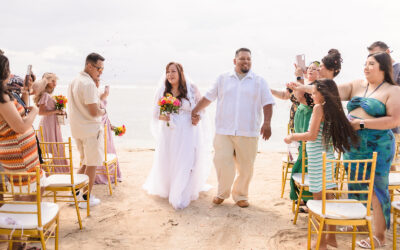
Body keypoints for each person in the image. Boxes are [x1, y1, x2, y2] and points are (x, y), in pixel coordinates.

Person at [290, 52, 400, 248]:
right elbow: (328, 90)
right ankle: (357, 223)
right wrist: (300, 85)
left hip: (378, 145)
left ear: (383, 67)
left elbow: (394, 120)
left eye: (371, 64)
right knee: (356, 185)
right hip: (353, 143)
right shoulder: (357, 85)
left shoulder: (393, 90)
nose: (366, 67)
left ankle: (380, 237)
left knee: (376, 189)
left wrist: (362, 124)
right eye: (365, 63)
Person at [191, 48, 274, 208]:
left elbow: (268, 102)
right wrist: (195, 111)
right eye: (242, 59)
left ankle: (241, 195)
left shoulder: (259, 81)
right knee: (221, 162)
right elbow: (208, 97)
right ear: (235, 61)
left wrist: (267, 122)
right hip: (224, 130)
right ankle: (222, 193)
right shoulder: (222, 78)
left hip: (248, 131)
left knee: (246, 167)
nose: (246, 62)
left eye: (249, 59)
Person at [284, 79, 358, 249]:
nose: (312, 94)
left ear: (323, 94)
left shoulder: (319, 108)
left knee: (319, 203)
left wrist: (292, 136)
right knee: (329, 199)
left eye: (315, 92)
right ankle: (331, 237)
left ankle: (321, 242)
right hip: (328, 157)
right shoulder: (335, 109)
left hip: (318, 159)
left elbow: (311, 135)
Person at [143, 62, 211, 209]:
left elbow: (201, 110)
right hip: (169, 133)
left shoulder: (192, 89)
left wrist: (196, 117)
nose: (170, 75)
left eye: (173, 71)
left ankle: (180, 190)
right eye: (167, 72)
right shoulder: (163, 90)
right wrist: (165, 117)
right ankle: (169, 187)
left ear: (180, 73)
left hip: (188, 131)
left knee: (186, 160)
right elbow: (156, 115)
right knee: (170, 158)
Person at [0, 54, 44, 250]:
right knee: (23, 198)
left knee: (25, 196)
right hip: (20, 156)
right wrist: (35, 111)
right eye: (8, 70)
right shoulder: (1, 97)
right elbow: (20, 126)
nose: (11, 73)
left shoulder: (4, 94)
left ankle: (20, 243)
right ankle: (18, 244)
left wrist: (25, 93)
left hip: (21, 154)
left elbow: (18, 115)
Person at [68, 53, 106, 208]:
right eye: (99, 68)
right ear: (89, 66)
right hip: (90, 130)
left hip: (78, 129)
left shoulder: (75, 80)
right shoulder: (88, 83)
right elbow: (93, 111)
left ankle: (74, 195)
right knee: (92, 164)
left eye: (102, 69)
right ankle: (85, 198)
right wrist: (102, 110)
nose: (100, 72)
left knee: (84, 163)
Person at [33, 73, 69, 172]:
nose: (55, 83)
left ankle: (55, 168)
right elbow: (41, 112)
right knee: (51, 145)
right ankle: (51, 170)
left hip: (53, 123)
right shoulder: (45, 95)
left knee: (56, 144)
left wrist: (60, 111)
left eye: (55, 81)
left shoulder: (49, 95)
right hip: (48, 124)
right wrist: (56, 111)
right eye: (52, 81)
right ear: (47, 82)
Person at [367, 41, 400, 136]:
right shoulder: (375, 73)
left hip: (394, 130)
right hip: (375, 129)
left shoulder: (398, 70)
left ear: (388, 52)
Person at [94, 80, 122, 184]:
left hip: (106, 130)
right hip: (99, 130)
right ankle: (100, 176)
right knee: (102, 150)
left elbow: (105, 116)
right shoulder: (93, 98)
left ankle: (108, 174)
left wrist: (113, 127)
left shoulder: (99, 97)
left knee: (108, 149)